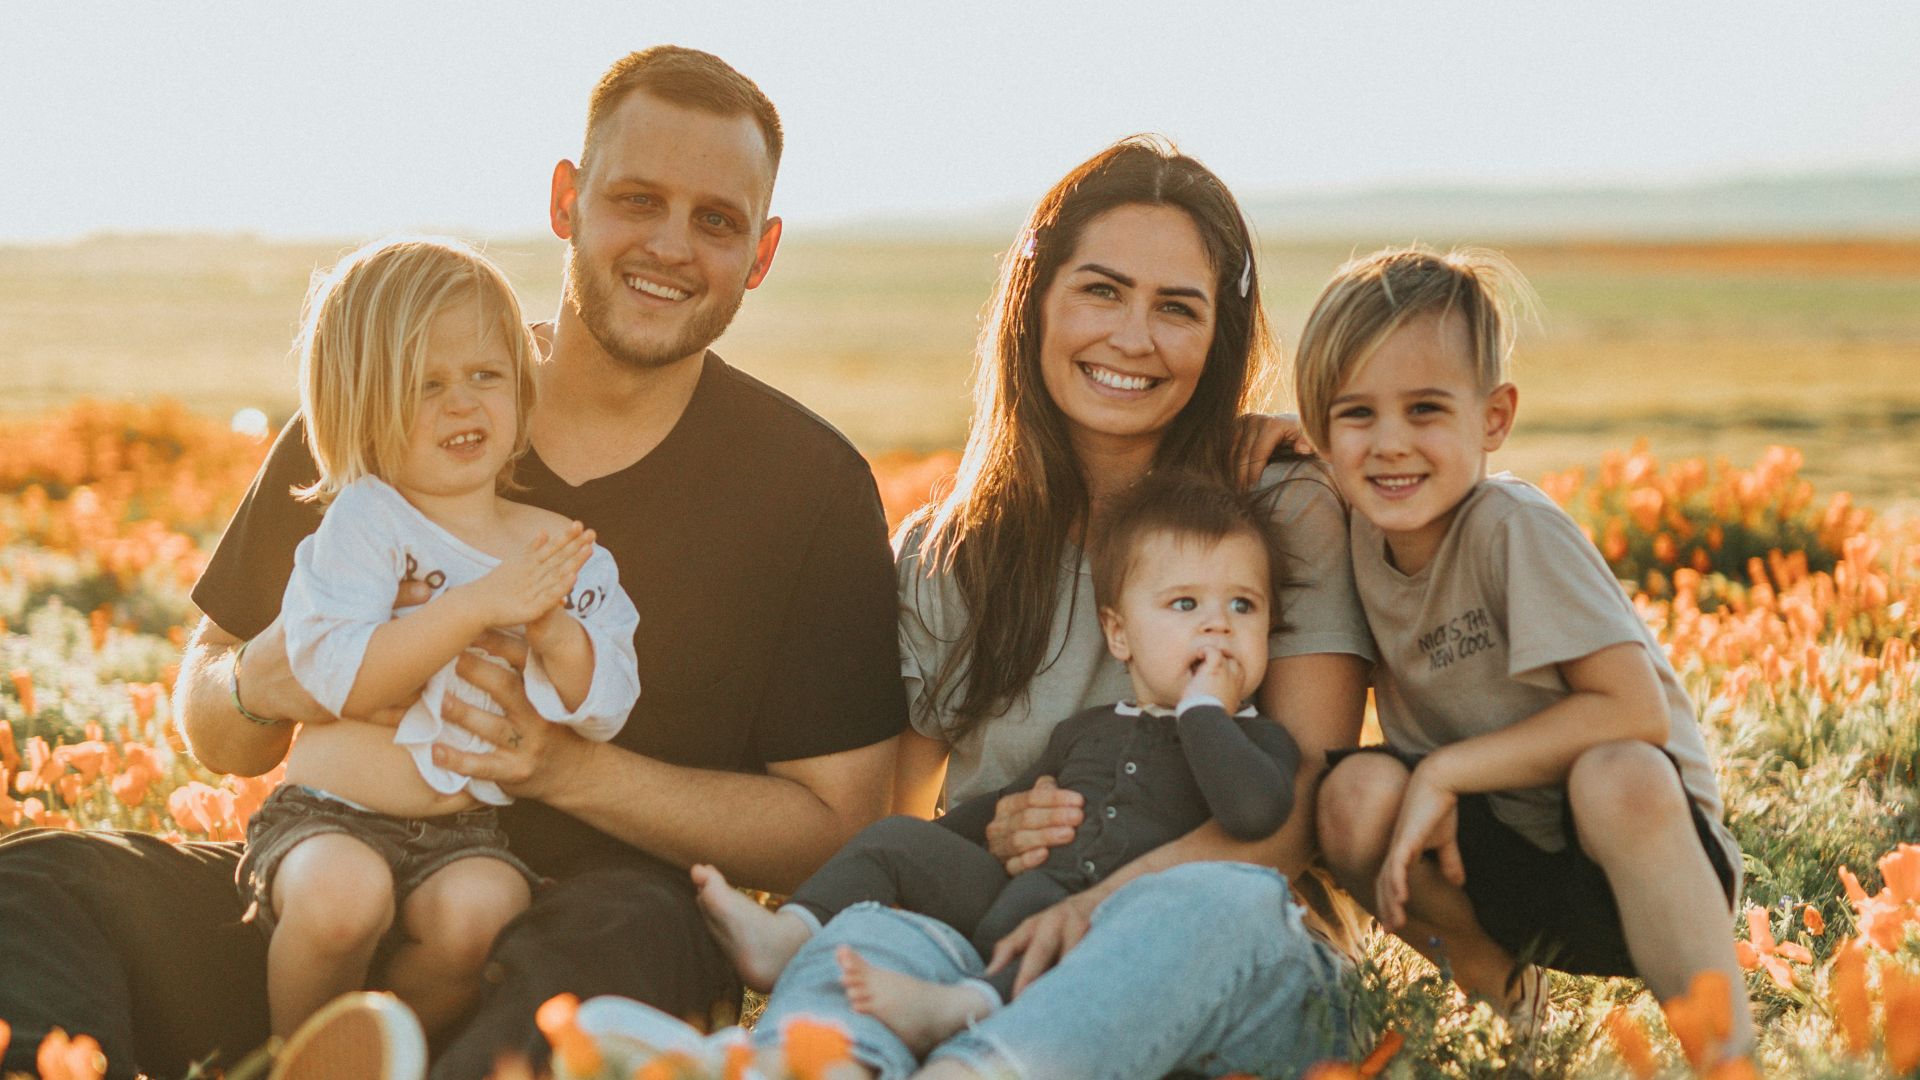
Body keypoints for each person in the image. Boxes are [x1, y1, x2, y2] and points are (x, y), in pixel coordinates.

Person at [0, 46, 906, 1080]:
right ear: (567, 200)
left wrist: (565, 768)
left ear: (763, 251)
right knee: (40, 883)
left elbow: (835, 826)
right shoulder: (397, 397)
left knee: (632, 931)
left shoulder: (809, 486)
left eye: (716, 220)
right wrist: (269, 677)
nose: (669, 245)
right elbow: (212, 718)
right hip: (327, 892)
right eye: (637, 199)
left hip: (582, 934)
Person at [747, 136, 1377, 1080]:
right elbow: (901, 819)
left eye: (1177, 308)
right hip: (996, 954)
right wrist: (991, 835)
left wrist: (1091, 905)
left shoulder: (1282, 514)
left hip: (1227, 957)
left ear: (1220, 339)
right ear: (1034, 301)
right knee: (874, 932)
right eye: (1101, 290)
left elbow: (1294, 823)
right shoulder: (944, 554)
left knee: (1213, 904)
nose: (1132, 336)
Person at [1296, 246, 1751, 1054]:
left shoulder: (1513, 529)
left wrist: (1444, 769)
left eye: (1427, 410)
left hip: (1635, 860)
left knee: (1619, 772)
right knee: (1350, 796)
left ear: (1495, 418)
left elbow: (1633, 710)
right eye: (1357, 414)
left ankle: (1726, 1057)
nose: (1390, 444)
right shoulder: (1354, 534)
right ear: (1321, 430)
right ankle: (1516, 1021)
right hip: (1496, 865)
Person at [695, 474, 1301, 1048]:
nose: (1218, 626)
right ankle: (789, 936)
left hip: (1116, 935)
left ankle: (963, 1008)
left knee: (1058, 936)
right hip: (1013, 898)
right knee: (896, 840)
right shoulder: (1086, 730)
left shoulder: (1261, 744)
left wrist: (1204, 713)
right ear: (1120, 635)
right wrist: (956, 838)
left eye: (1244, 606)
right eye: (1186, 604)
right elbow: (998, 807)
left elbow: (1253, 811)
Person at [238, 237, 640, 1039]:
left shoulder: (556, 542)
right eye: (425, 385)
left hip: (465, 832)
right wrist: (477, 605)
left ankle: (389, 1054)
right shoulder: (365, 521)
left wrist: (554, 632)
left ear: (522, 389)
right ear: (361, 406)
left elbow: (607, 704)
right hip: (329, 814)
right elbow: (337, 677)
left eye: (484, 376)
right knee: (341, 900)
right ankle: (291, 1060)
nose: (462, 404)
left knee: (485, 912)